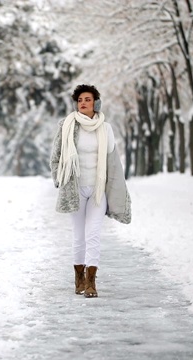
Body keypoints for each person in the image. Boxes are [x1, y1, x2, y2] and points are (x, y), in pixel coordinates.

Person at [49, 84, 131, 298]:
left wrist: (116, 189)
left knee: (93, 234)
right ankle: (78, 277)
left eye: (87, 99)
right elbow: (56, 155)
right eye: (80, 100)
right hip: (74, 189)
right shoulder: (66, 125)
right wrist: (60, 178)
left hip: (97, 190)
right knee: (79, 236)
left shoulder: (106, 129)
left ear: (96, 102)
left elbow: (113, 162)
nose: (83, 103)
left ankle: (91, 282)